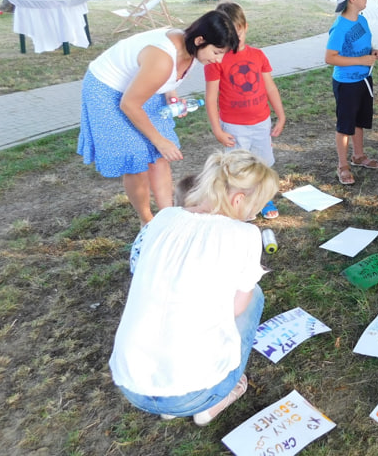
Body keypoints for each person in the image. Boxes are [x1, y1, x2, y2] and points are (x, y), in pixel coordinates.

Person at [110, 149, 278, 426]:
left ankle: (172, 402)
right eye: (256, 207)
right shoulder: (246, 234)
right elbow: (236, 308)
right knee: (253, 295)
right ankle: (214, 402)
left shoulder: (162, 219)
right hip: (195, 393)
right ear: (238, 200)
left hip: (131, 383)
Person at [77, 11, 239, 226]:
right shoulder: (162, 58)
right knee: (136, 158)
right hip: (108, 89)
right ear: (200, 40)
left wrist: (171, 96)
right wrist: (159, 140)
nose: (218, 60)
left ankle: (168, 216)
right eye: (217, 52)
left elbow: (166, 79)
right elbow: (129, 104)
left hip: (138, 87)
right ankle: (147, 221)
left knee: (159, 157)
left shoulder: (190, 47)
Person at [205, 1, 286, 219]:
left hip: (261, 123)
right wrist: (217, 130)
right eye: (230, 32)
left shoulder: (258, 55)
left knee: (263, 163)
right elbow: (211, 98)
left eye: (238, 30)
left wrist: (281, 116)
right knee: (238, 168)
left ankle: (263, 198)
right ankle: (239, 204)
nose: (236, 36)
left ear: (245, 27)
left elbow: (270, 86)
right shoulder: (216, 59)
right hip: (233, 126)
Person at [325, 0, 378, 185]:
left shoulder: (362, 19)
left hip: (364, 80)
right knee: (345, 125)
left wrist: (372, 51)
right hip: (346, 84)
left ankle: (358, 156)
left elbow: (364, 42)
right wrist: (360, 60)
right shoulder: (340, 27)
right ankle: (343, 166)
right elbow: (330, 57)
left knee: (360, 120)